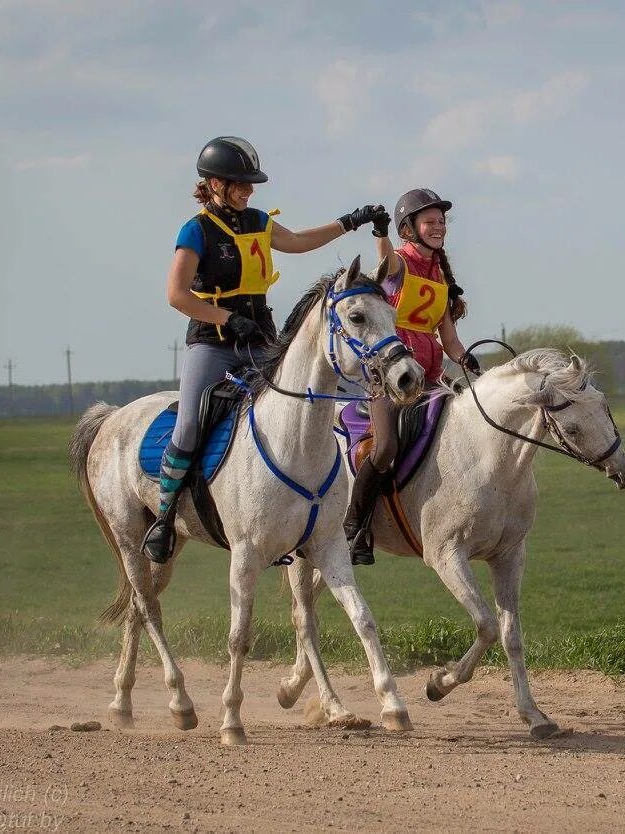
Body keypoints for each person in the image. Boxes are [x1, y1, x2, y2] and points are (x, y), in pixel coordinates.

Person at [143, 136, 388, 564]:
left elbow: (297, 242)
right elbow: (176, 295)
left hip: (261, 340)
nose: (249, 190)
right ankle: (164, 517)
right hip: (213, 343)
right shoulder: (195, 230)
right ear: (214, 184)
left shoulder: (257, 220)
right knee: (189, 426)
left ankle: (279, 520)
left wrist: (349, 222)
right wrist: (225, 318)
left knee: (291, 414)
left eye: (250, 184)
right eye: (240, 183)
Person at [342, 188, 479, 565]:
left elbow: (448, 339)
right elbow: (385, 262)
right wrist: (379, 233)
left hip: (430, 381)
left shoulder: (439, 276)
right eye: (430, 223)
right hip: (389, 381)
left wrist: (468, 361)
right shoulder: (399, 264)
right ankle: (355, 526)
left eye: (441, 222)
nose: (438, 228)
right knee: (385, 448)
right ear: (409, 230)